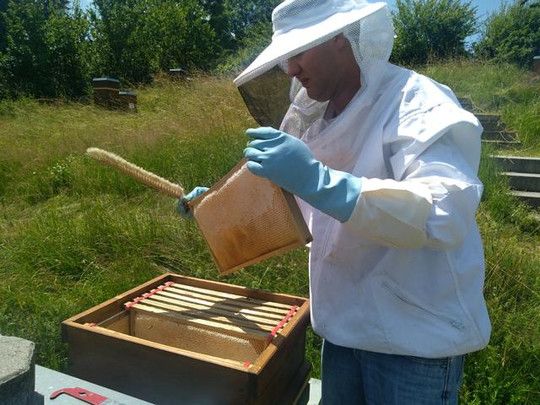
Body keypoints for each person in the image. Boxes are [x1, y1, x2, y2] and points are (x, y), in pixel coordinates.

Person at [178, 0, 491, 403]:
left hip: (415, 341)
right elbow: (297, 204)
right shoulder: (312, 118)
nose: (290, 69)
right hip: (343, 330)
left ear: (340, 38)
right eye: (285, 57)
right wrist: (219, 209)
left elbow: (444, 214)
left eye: (299, 51)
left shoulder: (416, 101)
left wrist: (320, 180)